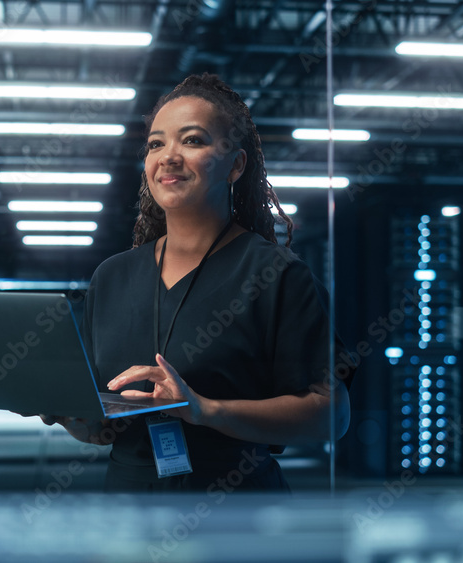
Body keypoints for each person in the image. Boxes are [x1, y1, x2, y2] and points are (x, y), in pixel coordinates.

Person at [43, 73, 354, 492]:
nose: (168, 156)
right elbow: (102, 431)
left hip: (238, 512)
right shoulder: (113, 276)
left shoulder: (276, 275)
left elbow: (331, 417)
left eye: (192, 140)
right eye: (156, 144)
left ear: (235, 165)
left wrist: (204, 409)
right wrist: (68, 413)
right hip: (130, 508)